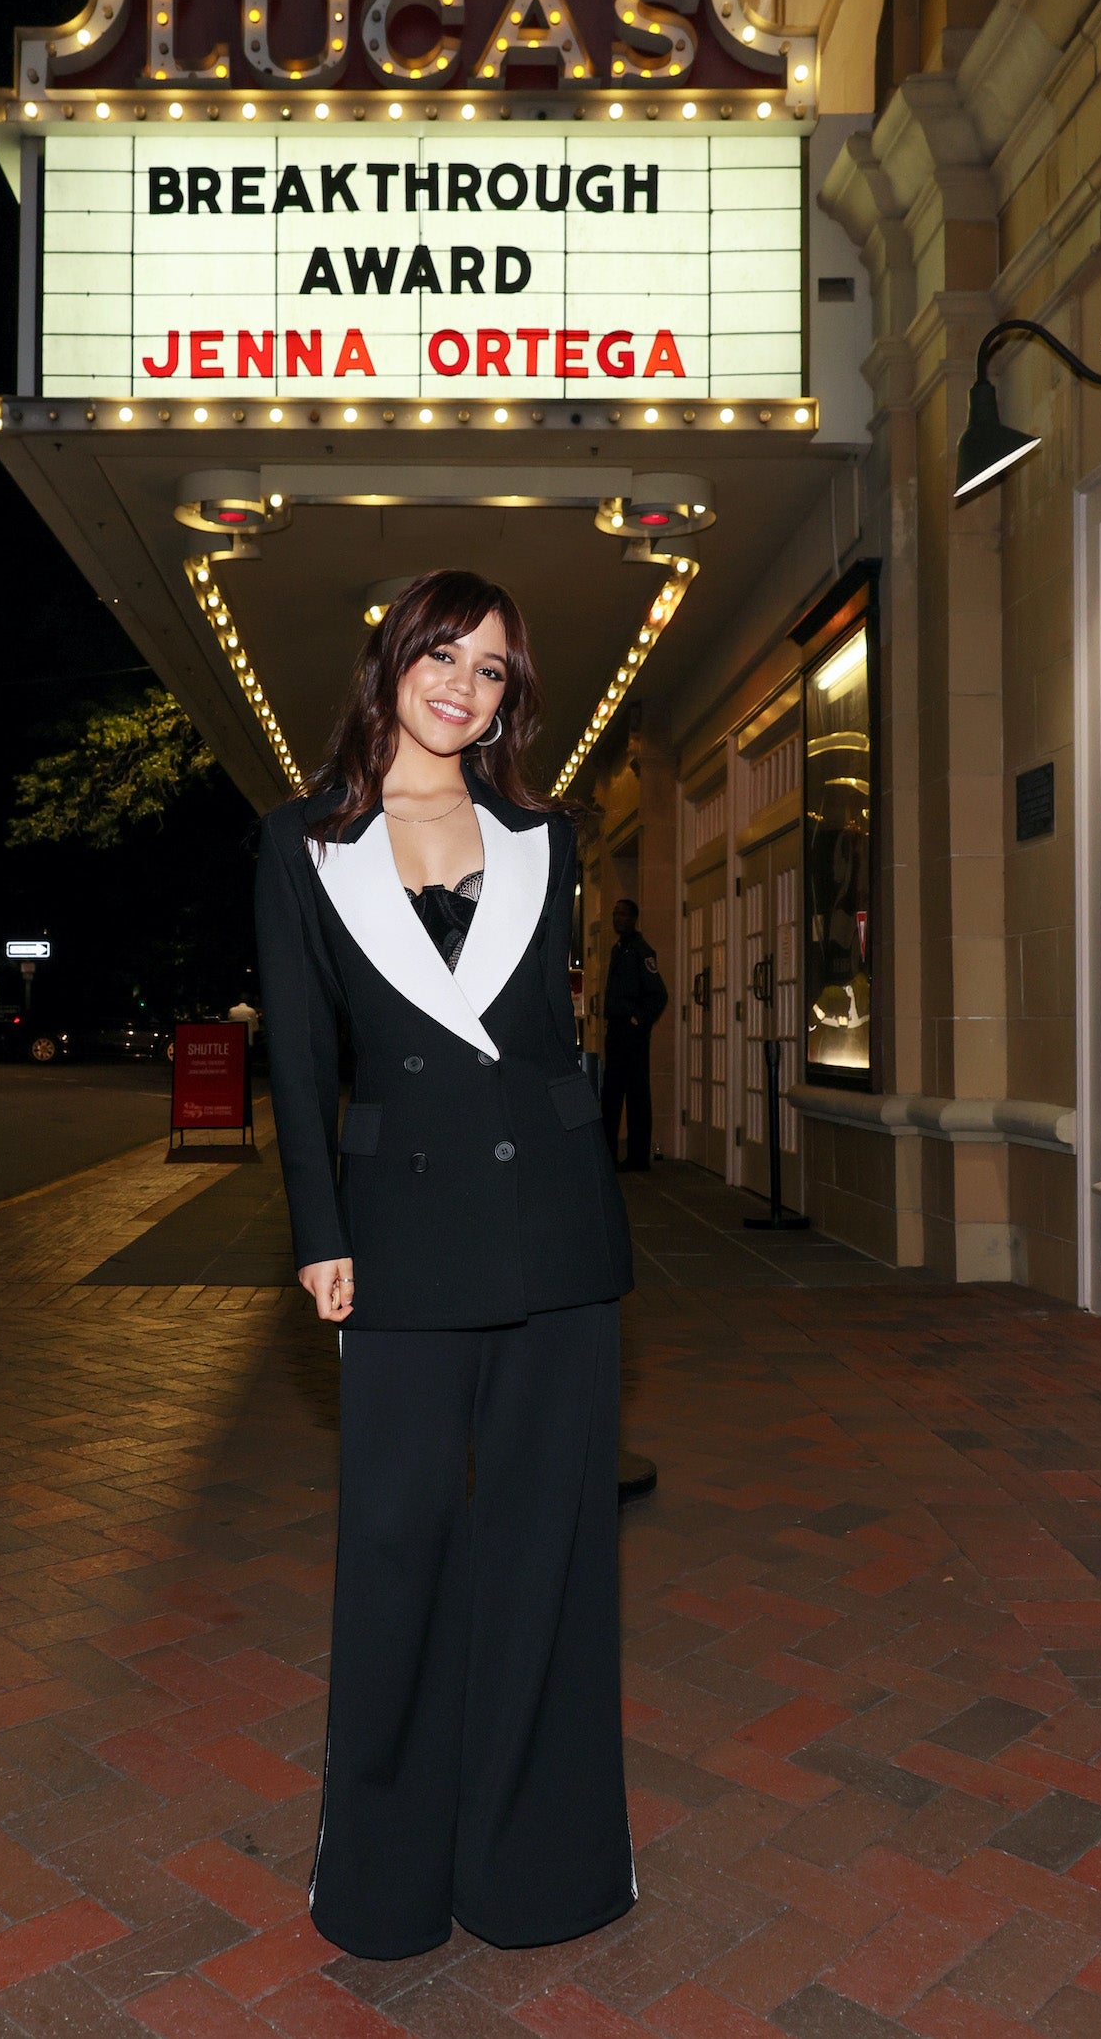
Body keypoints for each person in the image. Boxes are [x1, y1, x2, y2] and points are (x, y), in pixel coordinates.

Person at [255, 569, 636, 1963]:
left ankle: (542, 1868)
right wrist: (318, 1230)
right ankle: (384, 1881)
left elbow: (547, 1036)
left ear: (507, 699)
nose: (462, 685)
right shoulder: (303, 840)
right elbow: (298, 1057)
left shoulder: (551, 831)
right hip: (398, 1241)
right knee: (399, 1545)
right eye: (443, 655)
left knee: (548, 1553)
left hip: (556, 1237)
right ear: (394, 663)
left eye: (491, 669)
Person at [601, 899, 669, 1171]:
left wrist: (638, 1019)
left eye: (623, 915)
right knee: (612, 1094)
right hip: (616, 1030)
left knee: (637, 1094)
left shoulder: (641, 951)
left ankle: (638, 1157)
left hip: (632, 1032)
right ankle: (608, 1155)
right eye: (615, 914)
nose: (618, 919)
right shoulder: (619, 949)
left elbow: (658, 994)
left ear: (634, 918)